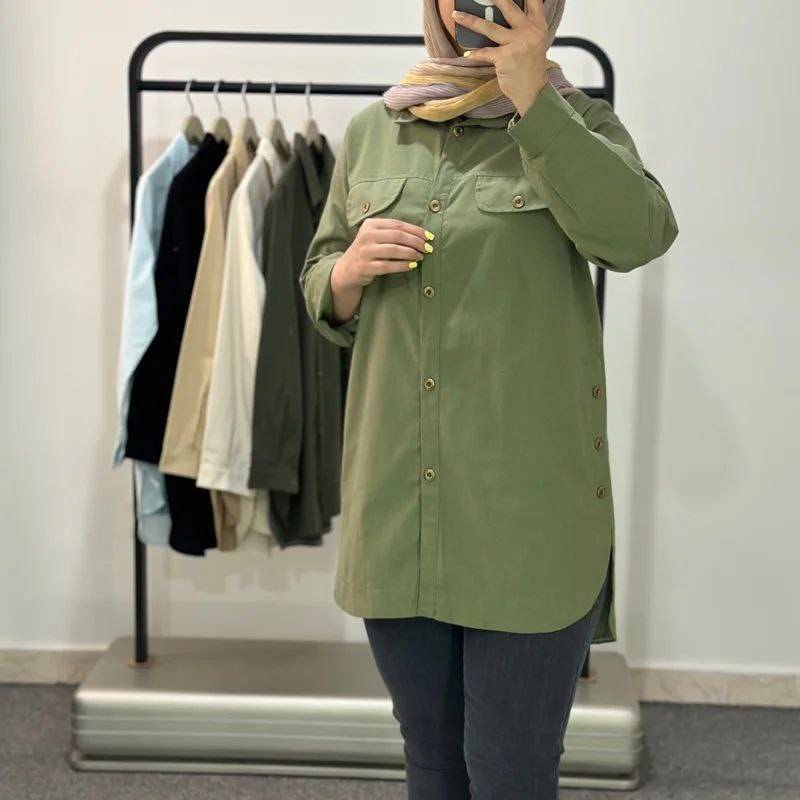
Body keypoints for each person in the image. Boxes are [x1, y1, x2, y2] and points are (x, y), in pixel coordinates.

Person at [299, 0, 679, 797]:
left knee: (511, 774)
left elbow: (639, 235)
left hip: (526, 525)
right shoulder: (375, 131)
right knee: (433, 763)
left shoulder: (581, 123)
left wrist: (535, 99)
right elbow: (320, 283)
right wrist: (345, 272)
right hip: (401, 513)